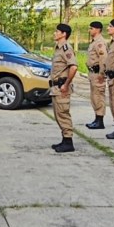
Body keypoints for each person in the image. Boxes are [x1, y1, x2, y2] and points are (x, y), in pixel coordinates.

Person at [50, 23, 78, 152]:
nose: (55, 33)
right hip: (56, 87)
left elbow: (73, 67)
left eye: (57, 31)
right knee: (59, 115)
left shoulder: (66, 48)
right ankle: (64, 139)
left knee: (63, 114)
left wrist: (66, 84)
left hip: (62, 88)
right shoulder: (58, 48)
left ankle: (68, 142)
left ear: (64, 34)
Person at [85, 21, 108, 130]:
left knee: (98, 96)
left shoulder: (100, 42)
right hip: (92, 73)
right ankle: (97, 118)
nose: (89, 30)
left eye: (91, 28)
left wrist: (101, 74)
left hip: (98, 73)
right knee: (94, 96)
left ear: (98, 29)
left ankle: (100, 121)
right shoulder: (94, 42)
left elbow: (103, 59)